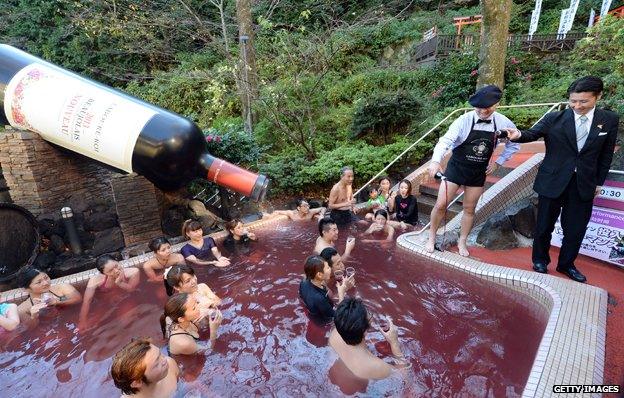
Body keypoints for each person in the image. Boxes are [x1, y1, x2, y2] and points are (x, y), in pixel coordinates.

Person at [506, 76, 619, 283]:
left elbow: (606, 155)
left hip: (584, 183)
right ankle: (540, 260)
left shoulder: (609, 119)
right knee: (544, 226)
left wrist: (599, 182)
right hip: (552, 181)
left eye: (583, 101)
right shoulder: (555, 118)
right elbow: (532, 133)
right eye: (573, 101)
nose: (577, 106)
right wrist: (518, 135)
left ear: (598, 96)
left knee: (575, 229)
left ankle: (567, 264)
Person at [426, 85, 520, 256]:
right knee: (440, 205)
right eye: (479, 107)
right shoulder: (463, 121)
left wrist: (498, 163)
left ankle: (462, 242)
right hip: (456, 168)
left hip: (478, 171)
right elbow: (445, 141)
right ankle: (431, 237)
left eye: (487, 107)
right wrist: (435, 161)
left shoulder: (504, 123)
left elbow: (514, 144)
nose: (482, 111)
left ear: (497, 104)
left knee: (469, 208)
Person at [329, 298, 409, 380]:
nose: (371, 315)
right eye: (369, 315)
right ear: (364, 331)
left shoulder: (334, 335)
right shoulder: (376, 366)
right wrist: (394, 343)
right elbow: (404, 377)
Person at [79, 255, 141, 327]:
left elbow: (132, 290)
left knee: (126, 323)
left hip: (125, 299)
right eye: (110, 271)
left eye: (116, 266)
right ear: (103, 273)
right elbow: (87, 301)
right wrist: (83, 320)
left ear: (117, 261)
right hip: (105, 304)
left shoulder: (133, 272)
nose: (116, 271)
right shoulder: (95, 280)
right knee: (90, 326)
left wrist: (120, 283)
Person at [111, 337, 179, 398]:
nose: (164, 360)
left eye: (160, 354)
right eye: (156, 364)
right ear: (137, 382)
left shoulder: (170, 366)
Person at [299, 256, 355, 325]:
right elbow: (338, 317)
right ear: (319, 275)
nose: (330, 269)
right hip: (324, 322)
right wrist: (341, 293)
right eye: (328, 267)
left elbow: (302, 297)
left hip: (316, 310)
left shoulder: (304, 281)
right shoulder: (319, 298)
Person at [16, 267, 82, 324]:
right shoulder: (23, 309)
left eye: (46, 278)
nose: (46, 283)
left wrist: (58, 302)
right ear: (26, 289)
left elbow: (79, 299)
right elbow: (30, 330)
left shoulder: (62, 287)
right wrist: (34, 316)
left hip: (74, 319)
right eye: (39, 282)